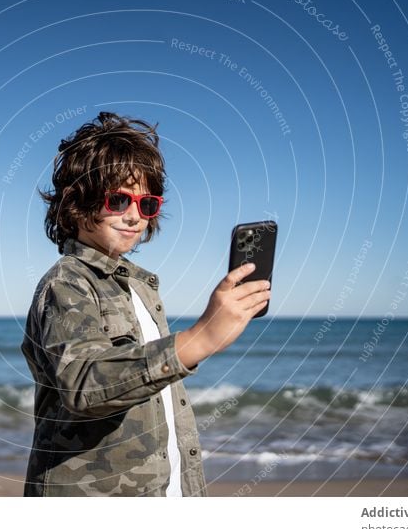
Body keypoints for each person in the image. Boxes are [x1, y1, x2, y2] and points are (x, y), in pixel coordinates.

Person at [20, 111, 271, 496]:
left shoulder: (141, 287)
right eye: (119, 199)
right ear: (76, 202)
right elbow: (84, 385)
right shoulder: (67, 282)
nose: (135, 216)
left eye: (147, 204)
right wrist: (201, 337)